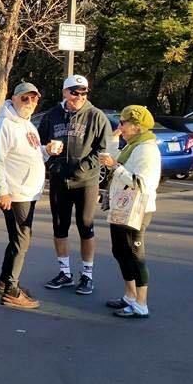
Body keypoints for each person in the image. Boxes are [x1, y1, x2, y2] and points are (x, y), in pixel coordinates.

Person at [37, 74, 112, 295]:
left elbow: (102, 150)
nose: (79, 96)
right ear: (65, 92)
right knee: (59, 226)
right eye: (74, 92)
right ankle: (65, 273)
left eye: (83, 92)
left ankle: (87, 275)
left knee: (85, 226)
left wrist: (82, 169)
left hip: (86, 181)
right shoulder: (52, 116)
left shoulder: (96, 116)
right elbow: (40, 144)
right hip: (59, 180)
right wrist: (51, 161)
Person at [99, 105, 161, 319]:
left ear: (137, 126)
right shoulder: (133, 146)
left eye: (123, 123)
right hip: (123, 207)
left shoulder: (146, 149)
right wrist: (113, 140)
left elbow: (142, 183)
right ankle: (130, 295)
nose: (120, 126)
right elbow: (119, 160)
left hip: (137, 210)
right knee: (120, 251)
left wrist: (115, 167)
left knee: (135, 256)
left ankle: (141, 304)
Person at [0, 82, 46, 309]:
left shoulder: (27, 124)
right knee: (22, 240)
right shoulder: (4, 125)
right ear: (13, 99)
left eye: (34, 98)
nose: (30, 102)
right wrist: (2, 192)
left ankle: (5, 281)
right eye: (25, 98)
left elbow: (31, 154)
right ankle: (12, 290)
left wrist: (46, 151)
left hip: (28, 192)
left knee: (18, 239)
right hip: (15, 193)